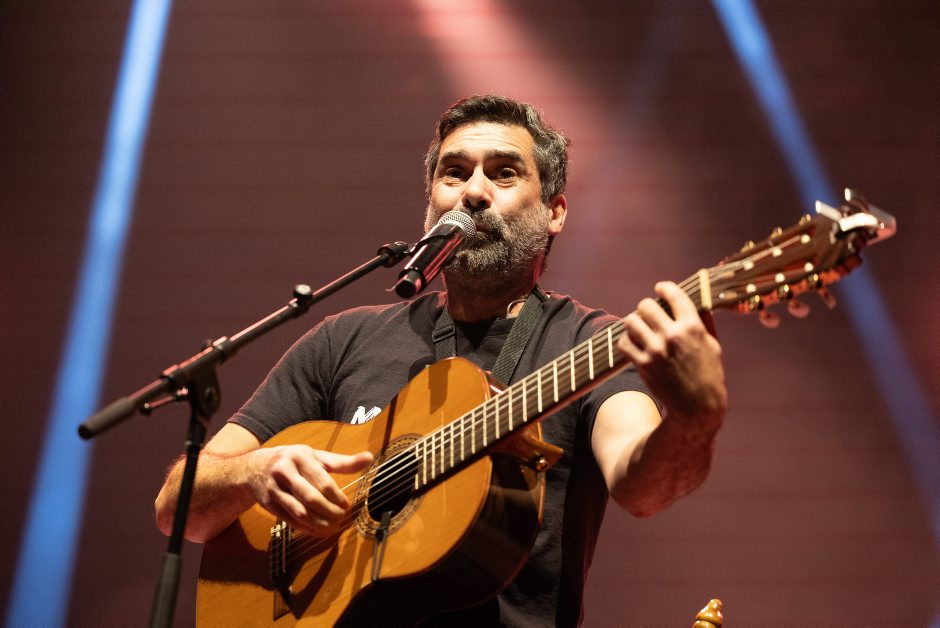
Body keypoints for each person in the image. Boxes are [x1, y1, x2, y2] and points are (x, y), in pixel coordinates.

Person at [154, 94, 727, 626]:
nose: (473, 192)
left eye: (504, 173)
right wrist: (253, 473)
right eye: (454, 172)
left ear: (555, 212)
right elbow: (176, 507)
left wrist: (695, 416)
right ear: (430, 203)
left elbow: (642, 487)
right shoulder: (343, 339)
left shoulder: (592, 343)